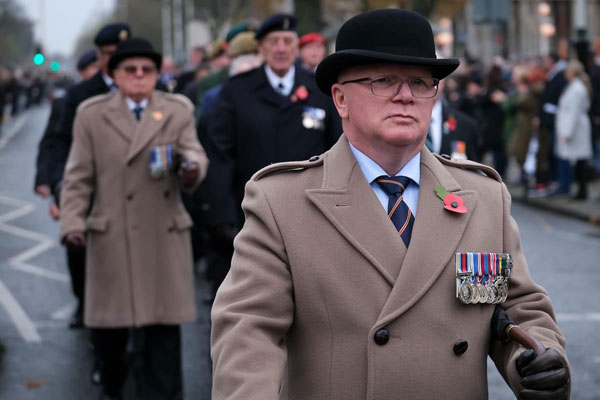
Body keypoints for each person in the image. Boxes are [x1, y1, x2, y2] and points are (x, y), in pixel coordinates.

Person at [211, 9, 569, 400]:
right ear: (341, 99)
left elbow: (516, 308)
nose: (405, 95)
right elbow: (248, 332)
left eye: (420, 82)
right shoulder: (283, 202)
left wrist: (536, 359)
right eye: (384, 81)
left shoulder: (482, 197)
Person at [59, 37, 208, 400]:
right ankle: (113, 385)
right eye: (131, 70)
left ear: (157, 73)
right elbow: (78, 175)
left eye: (148, 70)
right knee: (111, 343)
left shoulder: (176, 109)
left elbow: (194, 152)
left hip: (162, 234)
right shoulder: (92, 114)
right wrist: (72, 223)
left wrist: (191, 169)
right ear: (116, 75)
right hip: (112, 237)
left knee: (162, 342)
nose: (140, 76)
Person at [203, 12, 341, 300]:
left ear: (296, 47)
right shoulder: (236, 91)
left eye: (287, 41)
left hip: (311, 215)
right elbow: (221, 156)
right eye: (273, 41)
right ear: (261, 48)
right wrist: (223, 217)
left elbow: (338, 149)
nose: (280, 48)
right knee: (255, 300)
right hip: (252, 215)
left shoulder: (320, 90)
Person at [33, 48, 100, 329]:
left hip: (113, 188)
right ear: (82, 73)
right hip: (76, 186)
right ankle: (83, 303)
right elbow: (51, 144)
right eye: (92, 70)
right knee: (77, 249)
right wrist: (47, 181)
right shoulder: (67, 103)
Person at [554, 59, 593, 199]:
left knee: (580, 161)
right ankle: (579, 190)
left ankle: (581, 191)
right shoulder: (574, 86)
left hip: (576, 130)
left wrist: (567, 132)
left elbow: (574, 112)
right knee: (578, 160)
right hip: (574, 128)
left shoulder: (577, 88)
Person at [427, 78, 480, 161]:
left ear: (444, 81)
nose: (429, 84)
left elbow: (471, 167)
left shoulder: (464, 125)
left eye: (435, 78)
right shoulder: (400, 122)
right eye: (419, 80)